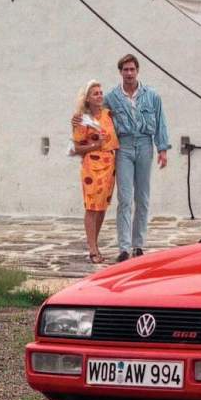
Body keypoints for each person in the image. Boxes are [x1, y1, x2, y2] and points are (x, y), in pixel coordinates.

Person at [75, 54, 171, 263]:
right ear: (120, 72)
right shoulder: (112, 97)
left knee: (142, 198)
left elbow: (161, 122)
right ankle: (124, 247)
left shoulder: (151, 96)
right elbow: (95, 112)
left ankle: (138, 245)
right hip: (124, 147)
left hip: (145, 145)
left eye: (132, 69)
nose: (129, 73)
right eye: (125, 70)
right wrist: (79, 118)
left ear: (137, 71)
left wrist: (162, 149)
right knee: (125, 198)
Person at [71, 80, 119, 264]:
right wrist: (95, 145)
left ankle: (95, 244)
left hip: (109, 165)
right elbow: (76, 147)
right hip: (92, 166)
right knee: (92, 207)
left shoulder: (108, 114)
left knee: (102, 208)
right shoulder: (82, 119)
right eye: (95, 93)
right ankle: (92, 249)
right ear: (88, 99)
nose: (99, 95)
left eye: (100, 92)